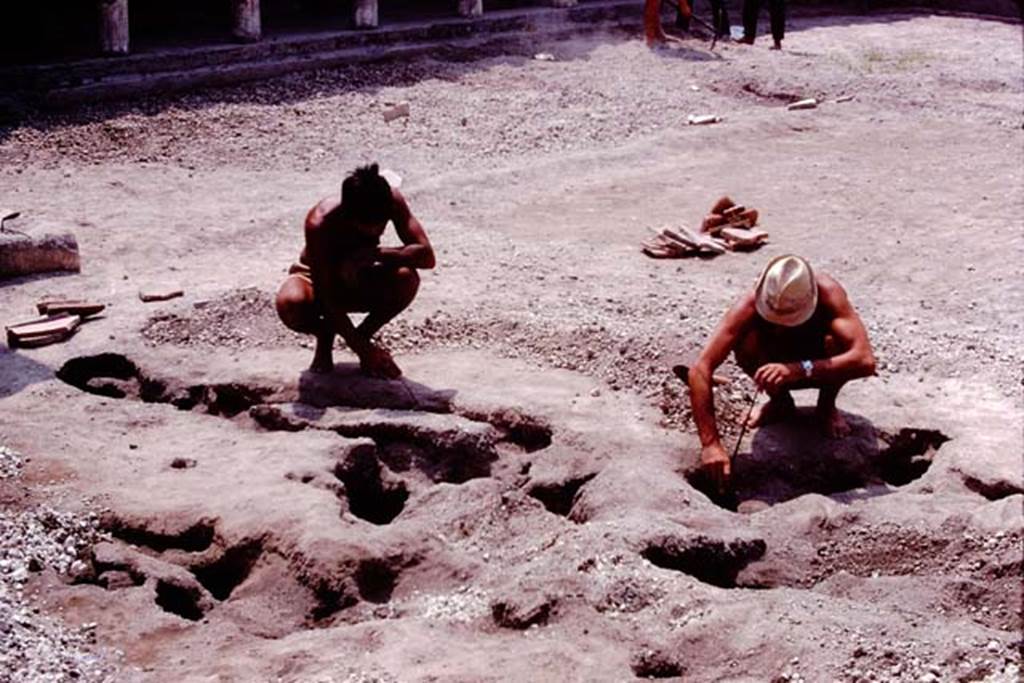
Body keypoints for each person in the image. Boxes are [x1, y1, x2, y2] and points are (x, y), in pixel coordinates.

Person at [687, 255, 876, 491]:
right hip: (773, 355)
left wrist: (798, 369)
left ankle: (826, 406)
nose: (779, 324)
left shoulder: (829, 293)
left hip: (814, 356)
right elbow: (700, 370)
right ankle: (780, 403)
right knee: (746, 342)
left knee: (836, 344)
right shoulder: (749, 304)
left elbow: (865, 360)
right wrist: (711, 444)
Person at [275, 164, 435, 379]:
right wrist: (363, 351)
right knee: (291, 303)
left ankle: (363, 335)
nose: (376, 230)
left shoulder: (391, 200)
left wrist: (373, 254)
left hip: (361, 273)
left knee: (406, 278)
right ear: (348, 215)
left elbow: (427, 257)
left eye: (380, 224)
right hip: (317, 277)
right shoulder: (320, 222)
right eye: (367, 226)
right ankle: (326, 336)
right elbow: (325, 293)